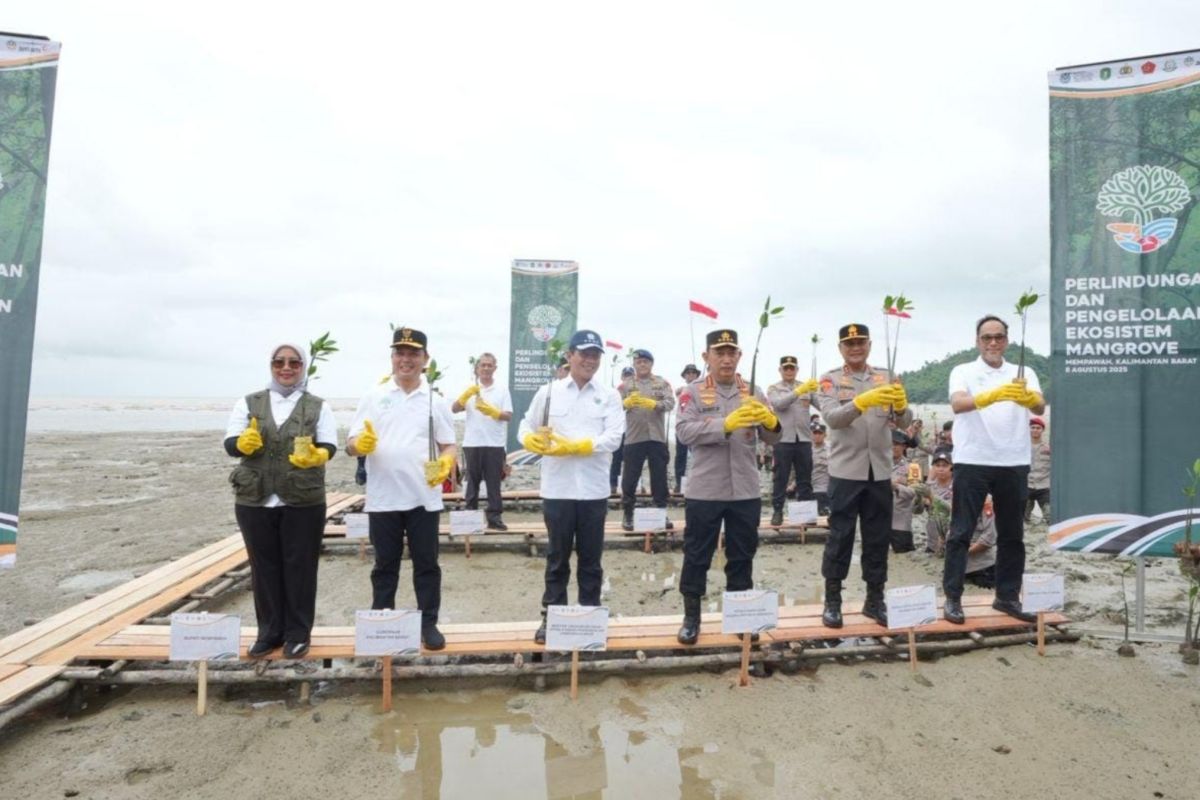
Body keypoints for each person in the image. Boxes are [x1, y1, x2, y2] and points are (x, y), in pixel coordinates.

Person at [225, 343, 339, 659]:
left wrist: (318, 455)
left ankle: (298, 633)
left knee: (300, 566)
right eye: (279, 362)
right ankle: (269, 632)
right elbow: (230, 443)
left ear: (303, 367)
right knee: (263, 567)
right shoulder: (248, 403)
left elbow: (329, 445)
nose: (286, 368)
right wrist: (241, 444)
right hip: (254, 498)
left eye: (293, 362)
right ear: (271, 365)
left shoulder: (318, 406)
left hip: (303, 498)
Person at [347, 327, 458, 651]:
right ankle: (383, 619)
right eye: (400, 353)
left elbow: (449, 445)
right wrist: (359, 446)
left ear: (425, 360)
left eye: (413, 353)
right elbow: (351, 443)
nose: (406, 359)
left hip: (424, 498)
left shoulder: (435, 401)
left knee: (427, 564)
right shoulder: (373, 395)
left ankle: (428, 623)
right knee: (385, 564)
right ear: (392, 357)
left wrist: (446, 464)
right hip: (383, 498)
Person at [675, 328, 782, 644]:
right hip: (705, 490)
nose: (725, 358)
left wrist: (771, 422)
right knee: (697, 554)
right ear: (706, 357)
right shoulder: (691, 392)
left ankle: (740, 617)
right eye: (718, 353)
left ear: (739, 356)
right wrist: (726, 424)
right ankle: (691, 618)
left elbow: (773, 437)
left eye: (730, 352)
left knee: (742, 555)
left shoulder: (754, 390)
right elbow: (684, 432)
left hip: (745, 490)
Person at [518, 329, 625, 644]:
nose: (589, 360)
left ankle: (590, 616)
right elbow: (526, 424)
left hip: (593, 490)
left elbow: (614, 437)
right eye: (584, 353)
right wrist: (529, 439)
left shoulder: (609, 395)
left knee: (591, 560)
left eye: (595, 354)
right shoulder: (550, 391)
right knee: (557, 557)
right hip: (558, 489)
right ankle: (551, 618)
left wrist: (580, 446)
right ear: (569, 355)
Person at [942, 314, 1045, 625]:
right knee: (961, 531)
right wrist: (993, 395)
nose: (993, 342)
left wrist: (1028, 396)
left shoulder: (1023, 371)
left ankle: (1008, 596)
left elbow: (1039, 406)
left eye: (998, 337)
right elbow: (957, 404)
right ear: (977, 341)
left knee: (1013, 533)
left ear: (1007, 340)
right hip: (973, 459)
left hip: (1013, 459)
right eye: (987, 337)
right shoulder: (963, 370)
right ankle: (952, 598)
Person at [814, 323, 911, 628]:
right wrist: (860, 402)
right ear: (840, 348)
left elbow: (904, 420)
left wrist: (901, 403)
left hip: (880, 471)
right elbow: (832, 418)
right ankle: (833, 601)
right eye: (849, 344)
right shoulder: (830, 380)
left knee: (877, 539)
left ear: (869, 345)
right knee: (840, 537)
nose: (855, 348)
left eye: (860, 343)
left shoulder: (886, 376)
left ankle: (874, 599)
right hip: (845, 471)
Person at [452, 352, 514, 531]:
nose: (486, 368)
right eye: (483, 365)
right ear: (477, 368)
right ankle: (470, 515)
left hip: (494, 443)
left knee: (494, 483)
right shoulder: (470, 388)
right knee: (472, 481)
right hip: (472, 443)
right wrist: (465, 396)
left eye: (489, 365)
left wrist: (493, 412)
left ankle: (494, 518)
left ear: (495, 368)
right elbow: (454, 409)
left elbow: (508, 416)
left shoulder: (502, 390)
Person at [619, 349, 676, 531]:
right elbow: (612, 406)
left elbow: (670, 403)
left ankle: (661, 511)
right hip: (634, 438)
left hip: (656, 438)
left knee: (659, 477)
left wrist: (656, 405)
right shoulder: (625, 385)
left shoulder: (662, 383)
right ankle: (628, 514)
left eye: (645, 361)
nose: (642, 365)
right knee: (630, 478)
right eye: (638, 362)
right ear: (634, 365)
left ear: (651, 364)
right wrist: (624, 403)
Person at [767, 356, 820, 526]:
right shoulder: (774, 388)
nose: (789, 371)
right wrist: (798, 391)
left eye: (792, 368)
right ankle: (777, 511)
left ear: (797, 369)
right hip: (783, 439)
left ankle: (805, 514)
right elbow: (779, 404)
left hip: (803, 438)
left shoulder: (807, 387)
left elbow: (823, 406)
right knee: (780, 477)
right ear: (780, 370)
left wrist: (821, 390)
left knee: (805, 477)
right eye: (786, 368)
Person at [674, 363, 702, 493]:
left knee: (699, 456)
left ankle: (699, 482)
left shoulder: (703, 389)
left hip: (697, 428)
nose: (691, 375)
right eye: (688, 373)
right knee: (681, 456)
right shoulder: (681, 390)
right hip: (682, 427)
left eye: (693, 373)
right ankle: (679, 483)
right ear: (684, 376)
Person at [890, 430, 917, 553]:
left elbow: (914, 493)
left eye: (896, 444)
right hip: (878, 519)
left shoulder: (912, 467)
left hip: (900, 521)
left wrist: (896, 486)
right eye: (890, 443)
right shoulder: (878, 464)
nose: (892, 447)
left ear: (904, 446)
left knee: (903, 552)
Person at [922, 449, 954, 554]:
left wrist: (933, 499)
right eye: (937, 465)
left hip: (951, 540)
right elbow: (916, 510)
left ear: (952, 467)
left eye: (945, 465)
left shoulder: (958, 487)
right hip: (933, 541)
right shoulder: (928, 487)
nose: (941, 469)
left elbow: (954, 509)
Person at [610, 365, 634, 493]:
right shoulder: (617, 390)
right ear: (622, 377)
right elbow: (612, 408)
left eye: (630, 375)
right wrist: (623, 404)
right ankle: (613, 484)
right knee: (617, 458)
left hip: (633, 431)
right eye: (626, 375)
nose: (628, 378)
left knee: (633, 460)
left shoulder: (637, 390)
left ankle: (632, 485)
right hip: (620, 430)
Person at [966, 496, 998, 588]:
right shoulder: (956, 497)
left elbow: (990, 536)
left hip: (982, 565)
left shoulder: (986, 503)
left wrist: (964, 551)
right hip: (959, 565)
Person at [1025, 417, 1051, 524]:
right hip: (1026, 486)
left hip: (1044, 486)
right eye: (1033, 427)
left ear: (1042, 430)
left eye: (1038, 428)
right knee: (1022, 518)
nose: (1035, 430)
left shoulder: (1048, 448)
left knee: (1050, 517)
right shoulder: (1022, 447)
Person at [810, 421, 831, 516]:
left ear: (825, 435)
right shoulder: (806, 450)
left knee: (825, 516)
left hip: (825, 488)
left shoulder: (831, 449)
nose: (817, 436)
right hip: (809, 488)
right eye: (815, 433)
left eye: (820, 433)